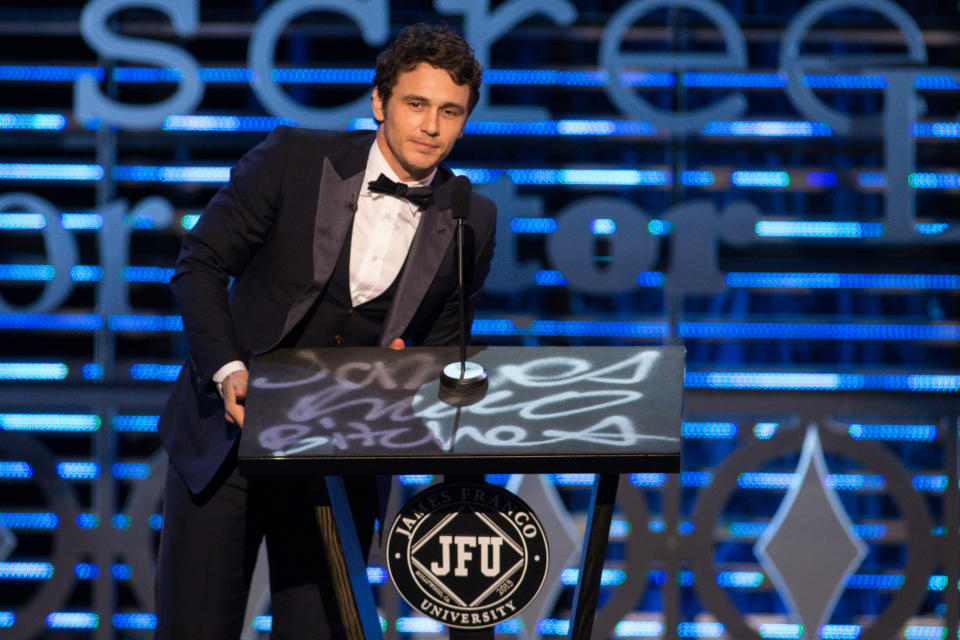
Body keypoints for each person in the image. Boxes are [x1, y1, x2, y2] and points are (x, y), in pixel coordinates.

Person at [155, 23, 496, 639]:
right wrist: (229, 369)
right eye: (416, 105)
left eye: (451, 111)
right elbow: (199, 264)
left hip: (345, 455)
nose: (432, 126)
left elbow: (447, 357)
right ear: (379, 102)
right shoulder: (292, 159)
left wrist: (404, 381)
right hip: (227, 444)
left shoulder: (471, 217)